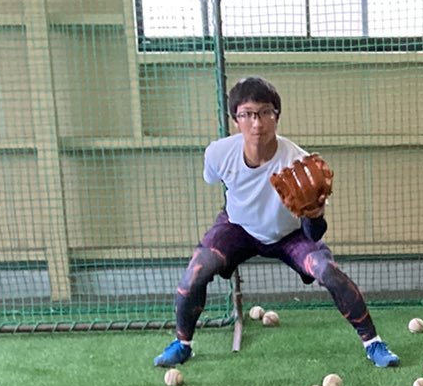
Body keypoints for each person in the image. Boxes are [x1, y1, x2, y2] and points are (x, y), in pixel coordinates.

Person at [153, 76, 399, 369]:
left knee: (327, 271)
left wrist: (315, 214)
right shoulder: (218, 154)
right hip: (237, 228)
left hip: (289, 235)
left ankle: (373, 343)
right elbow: (216, 181)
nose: (257, 123)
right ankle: (183, 344)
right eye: (248, 114)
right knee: (196, 272)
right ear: (236, 120)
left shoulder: (298, 163)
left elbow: (314, 232)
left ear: (276, 117)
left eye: (266, 113)